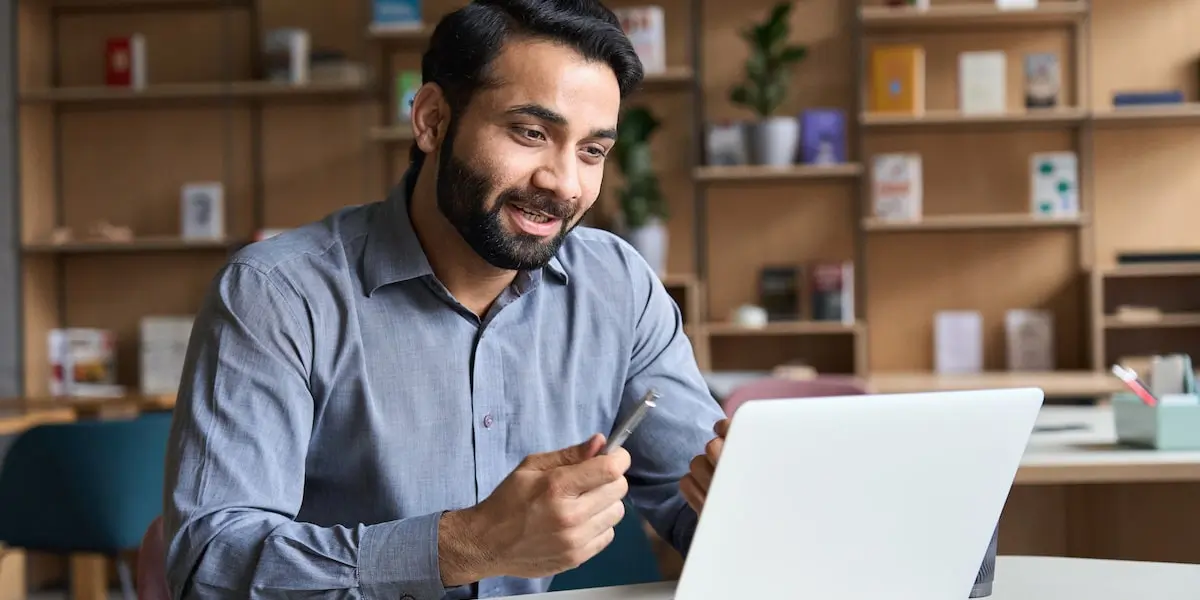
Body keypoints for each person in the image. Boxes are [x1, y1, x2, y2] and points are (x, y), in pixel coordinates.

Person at [163, 1, 729, 598]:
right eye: (531, 133)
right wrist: (472, 543)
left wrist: (747, 503)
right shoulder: (276, 295)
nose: (563, 182)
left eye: (591, 151)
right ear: (432, 119)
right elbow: (211, 565)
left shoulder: (619, 285)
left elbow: (699, 503)